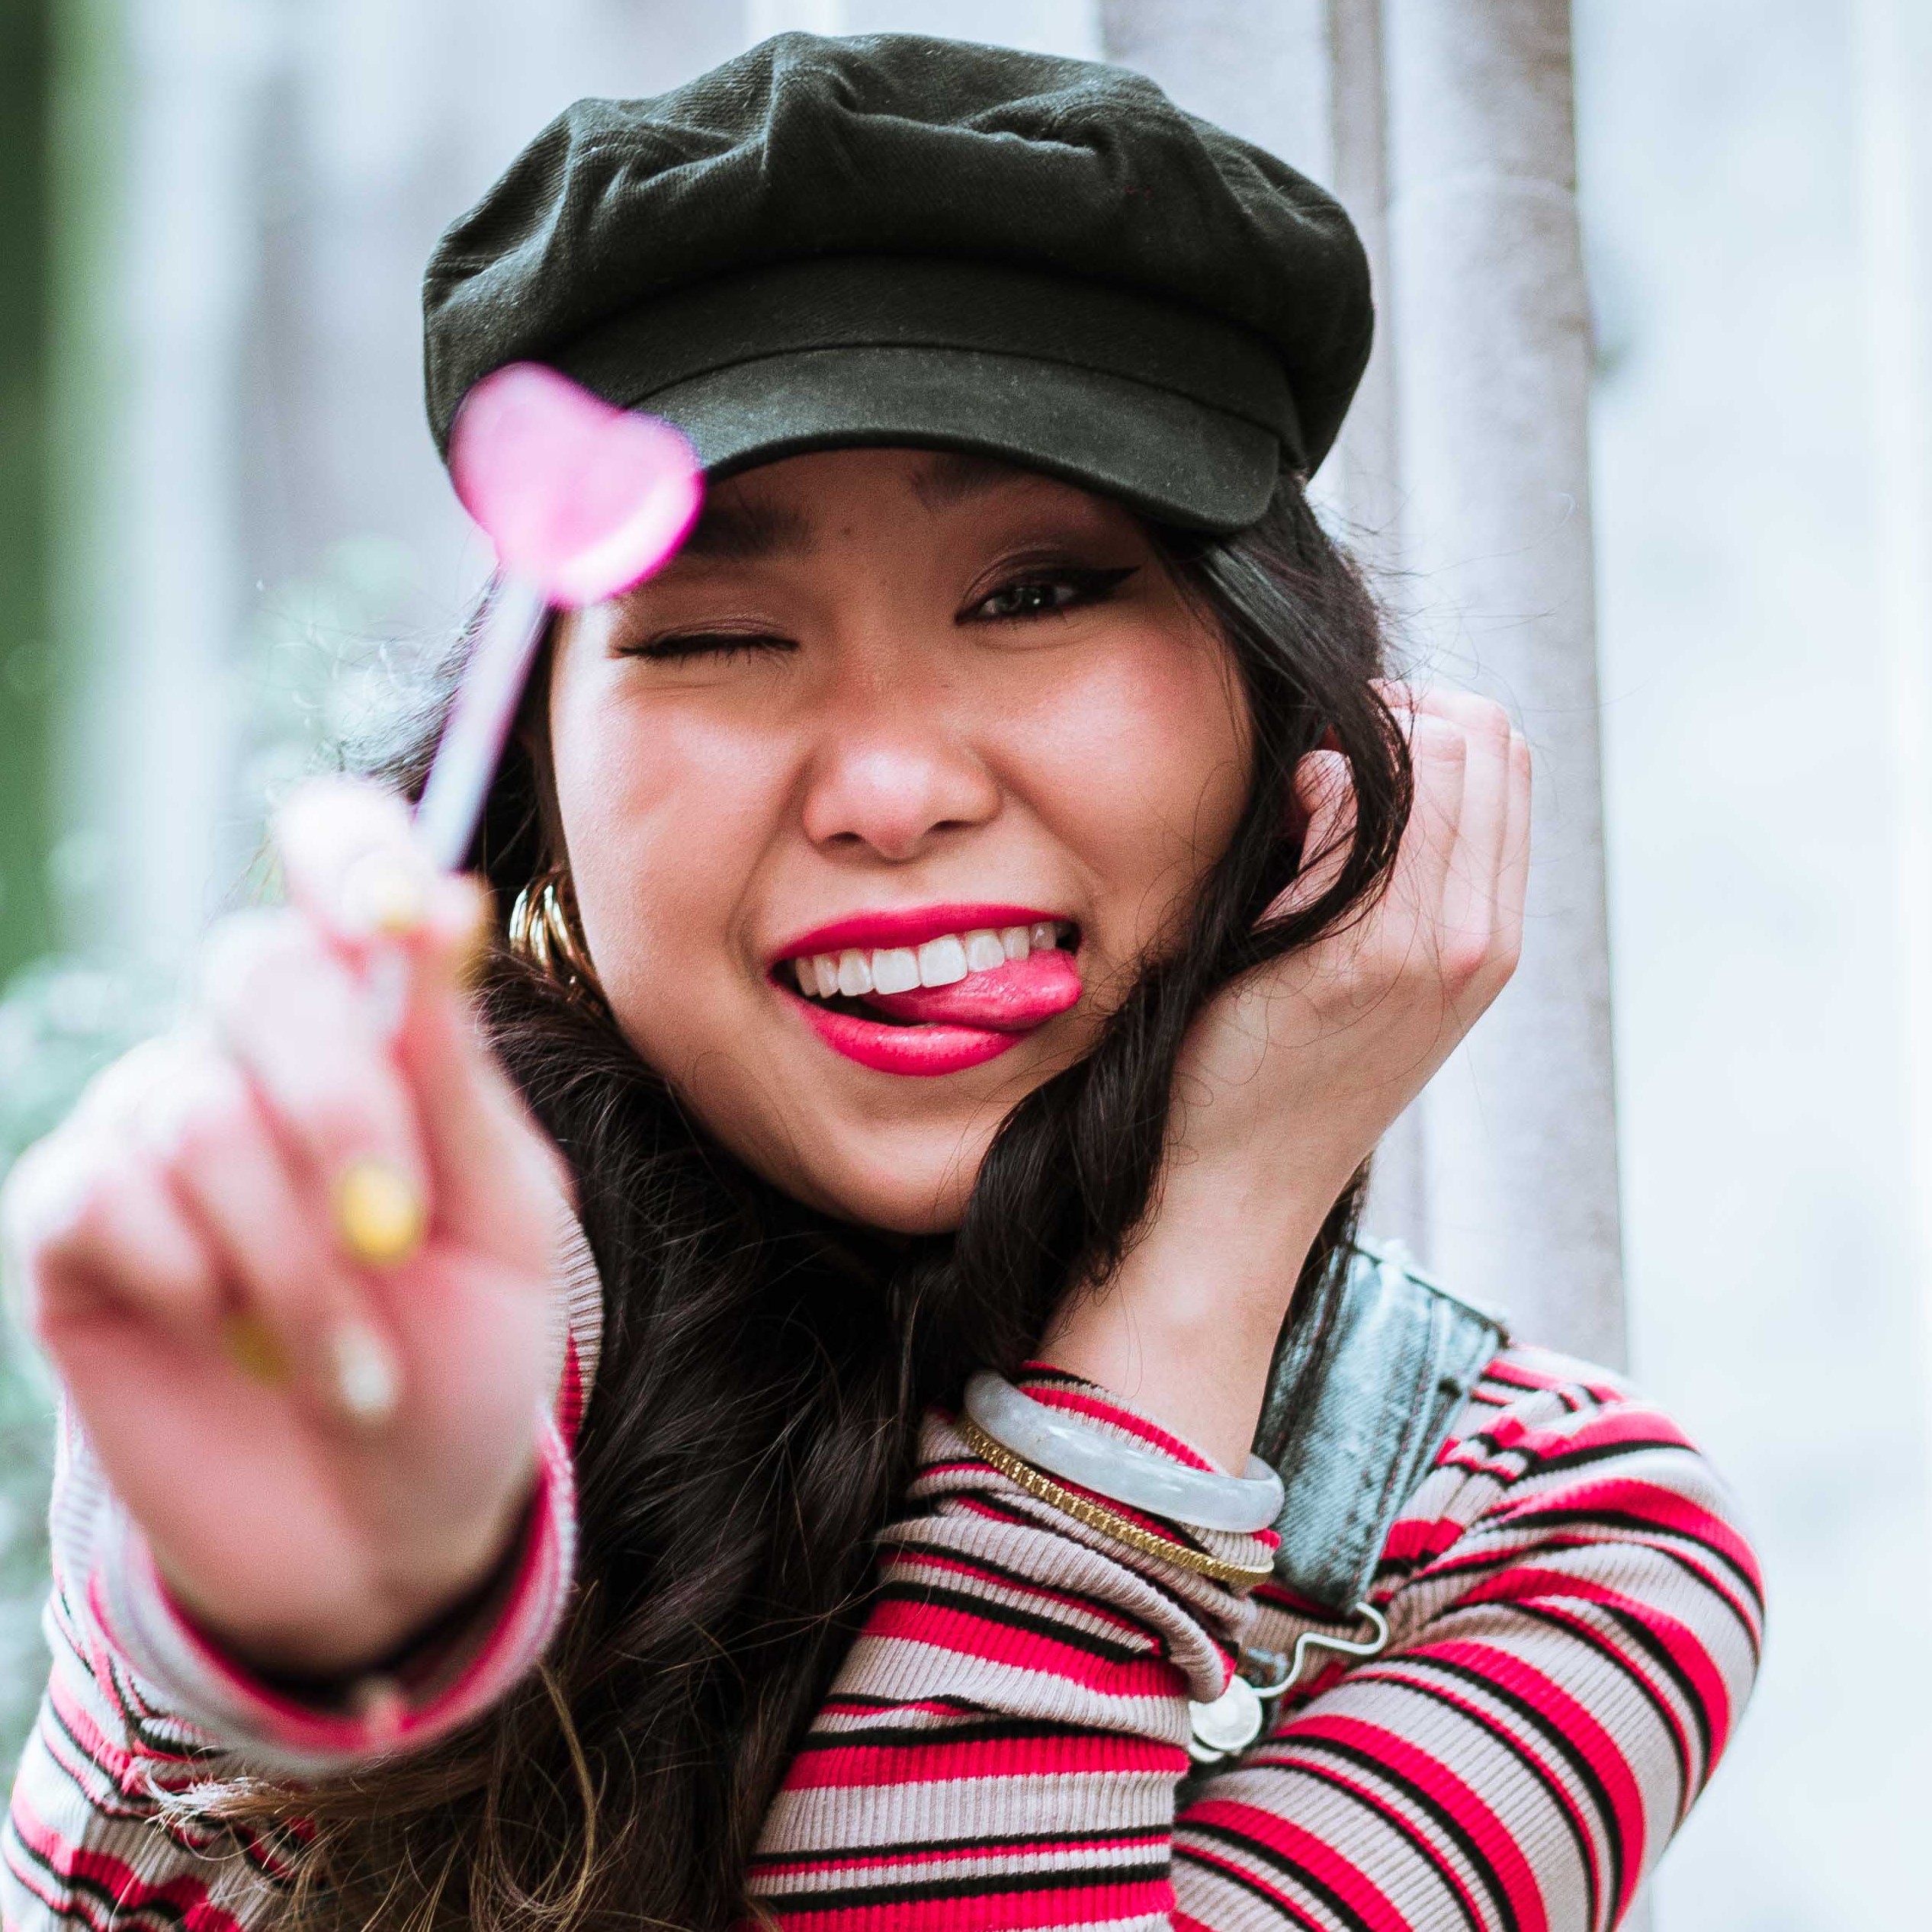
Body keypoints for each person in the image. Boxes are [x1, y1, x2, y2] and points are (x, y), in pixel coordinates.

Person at [0, 33, 1760, 1932]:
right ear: (538, 802)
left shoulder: (1548, 1551)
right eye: (719, 633)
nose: (893, 790)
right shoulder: (416, 1256)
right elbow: (265, 1566)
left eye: (1034, 595)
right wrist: (350, 1604)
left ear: (1291, 702)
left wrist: (1196, 1262)